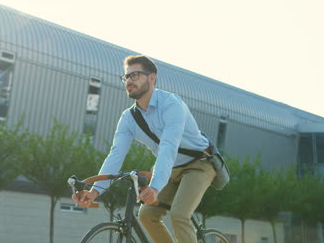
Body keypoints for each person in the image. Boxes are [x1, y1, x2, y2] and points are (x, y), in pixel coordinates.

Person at [73, 55, 217, 243]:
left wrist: (155, 187)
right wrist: (94, 192)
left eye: (135, 75)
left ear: (152, 78)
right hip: (171, 169)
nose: (129, 81)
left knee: (179, 215)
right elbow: (115, 156)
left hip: (199, 164)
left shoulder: (171, 104)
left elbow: (168, 147)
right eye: (126, 77)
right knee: (146, 215)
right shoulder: (128, 118)